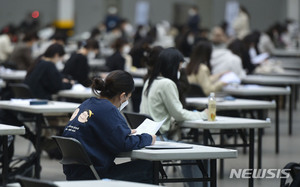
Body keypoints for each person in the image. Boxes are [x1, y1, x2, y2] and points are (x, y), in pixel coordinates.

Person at [62, 70, 156, 182]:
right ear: (122, 96)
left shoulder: (87, 103)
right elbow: (122, 144)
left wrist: (122, 132)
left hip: (76, 174)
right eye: (128, 98)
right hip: (94, 176)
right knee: (148, 167)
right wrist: (148, 138)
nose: (126, 101)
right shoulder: (108, 109)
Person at [140, 48, 207, 140]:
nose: (179, 72)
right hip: (159, 137)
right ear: (172, 67)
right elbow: (179, 114)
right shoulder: (167, 84)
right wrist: (203, 114)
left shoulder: (150, 81)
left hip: (146, 136)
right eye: (178, 68)